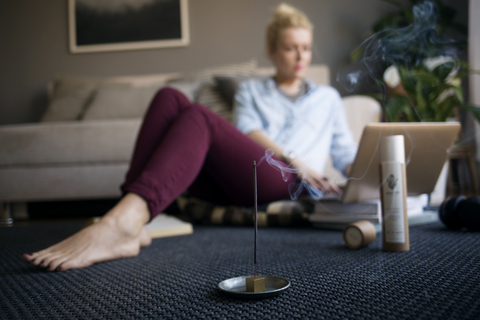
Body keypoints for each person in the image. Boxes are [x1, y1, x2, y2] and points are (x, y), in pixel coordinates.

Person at [23, 3, 357, 272]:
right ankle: (129, 219)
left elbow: (345, 154)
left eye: (306, 48)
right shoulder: (252, 91)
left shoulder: (327, 97)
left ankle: (122, 223)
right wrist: (290, 154)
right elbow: (245, 133)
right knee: (169, 97)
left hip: (288, 181)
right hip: (247, 173)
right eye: (290, 48)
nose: (301, 57)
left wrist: (371, 176)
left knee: (199, 115)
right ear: (272, 51)